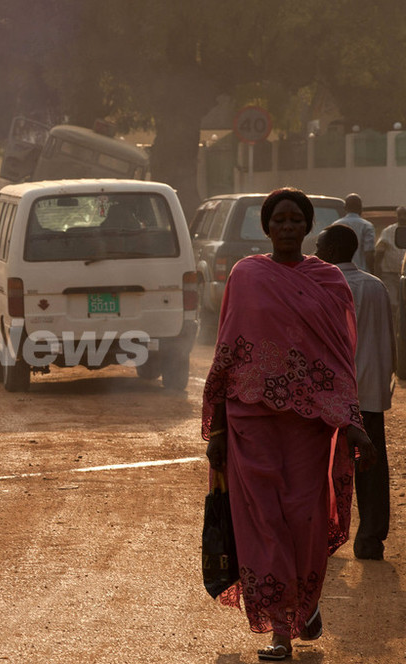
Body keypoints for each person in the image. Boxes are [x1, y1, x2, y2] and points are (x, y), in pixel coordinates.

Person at [202, 188, 376, 661]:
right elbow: (227, 356)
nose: (286, 227)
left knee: (305, 519)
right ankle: (281, 628)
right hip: (249, 421)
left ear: (307, 227)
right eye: (277, 219)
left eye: (294, 219)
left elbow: (339, 359)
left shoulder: (329, 282)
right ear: (266, 227)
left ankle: (305, 603)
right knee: (263, 522)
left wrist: (353, 421)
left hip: (308, 426)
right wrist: (217, 431)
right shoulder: (247, 276)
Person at [316, 224, 395, 561]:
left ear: (332, 250)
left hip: (336, 393)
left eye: (319, 246)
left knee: (326, 464)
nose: (315, 253)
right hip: (372, 390)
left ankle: (323, 536)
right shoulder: (376, 286)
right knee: (372, 466)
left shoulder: (325, 284)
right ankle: (371, 538)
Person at [374, 206, 406, 317]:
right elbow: (379, 252)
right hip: (389, 275)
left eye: (404, 214)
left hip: (404, 275)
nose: (402, 217)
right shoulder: (388, 231)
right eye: (400, 215)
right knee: (392, 304)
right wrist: (376, 272)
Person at [334, 193, 375, 273]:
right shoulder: (367, 226)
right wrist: (373, 272)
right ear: (360, 208)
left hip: (339, 273)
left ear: (345, 207)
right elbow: (369, 253)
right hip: (362, 273)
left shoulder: (336, 225)